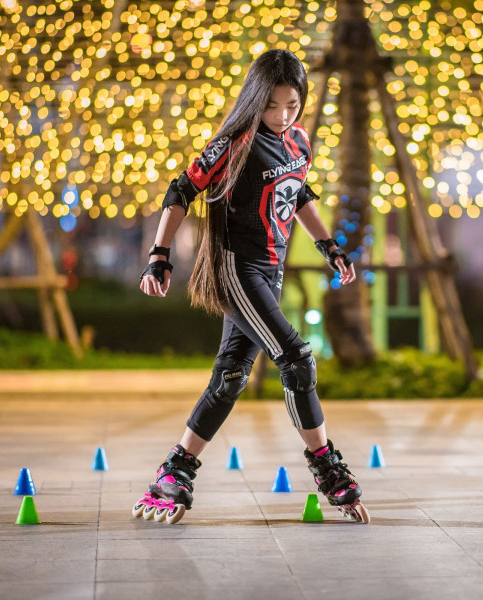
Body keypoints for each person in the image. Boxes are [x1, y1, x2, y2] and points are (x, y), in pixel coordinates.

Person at [132, 49, 369, 525]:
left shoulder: (298, 141)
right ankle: (328, 468)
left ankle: (173, 473)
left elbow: (298, 193)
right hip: (237, 269)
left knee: (231, 377)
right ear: (256, 100)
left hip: (271, 271)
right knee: (296, 359)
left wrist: (329, 246)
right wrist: (159, 255)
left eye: (292, 105)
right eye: (272, 106)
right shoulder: (233, 143)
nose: (283, 116)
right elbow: (180, 190)